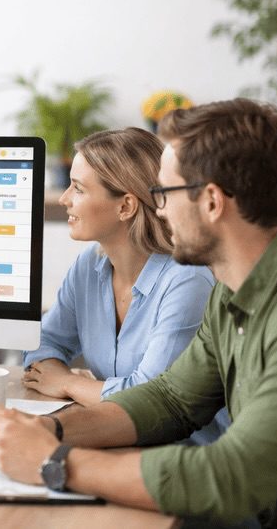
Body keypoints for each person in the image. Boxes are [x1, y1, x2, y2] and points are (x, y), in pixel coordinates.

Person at [0, 99, 277, 526]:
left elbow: (232, 475)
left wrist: (55, 461)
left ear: (210, 202)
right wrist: (54, 431)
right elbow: (172, 399)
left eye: (164, 193)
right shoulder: (232, 291)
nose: (160, 210)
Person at [21, 127, 226, 443]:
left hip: (186, 458)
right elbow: (42, 341)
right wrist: (74, 382)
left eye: (78, 188)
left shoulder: (187, 280)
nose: (64, 200)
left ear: (126, 206)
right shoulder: (89, 265)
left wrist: (68, 383)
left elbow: (150, 399)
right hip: (118, 440)